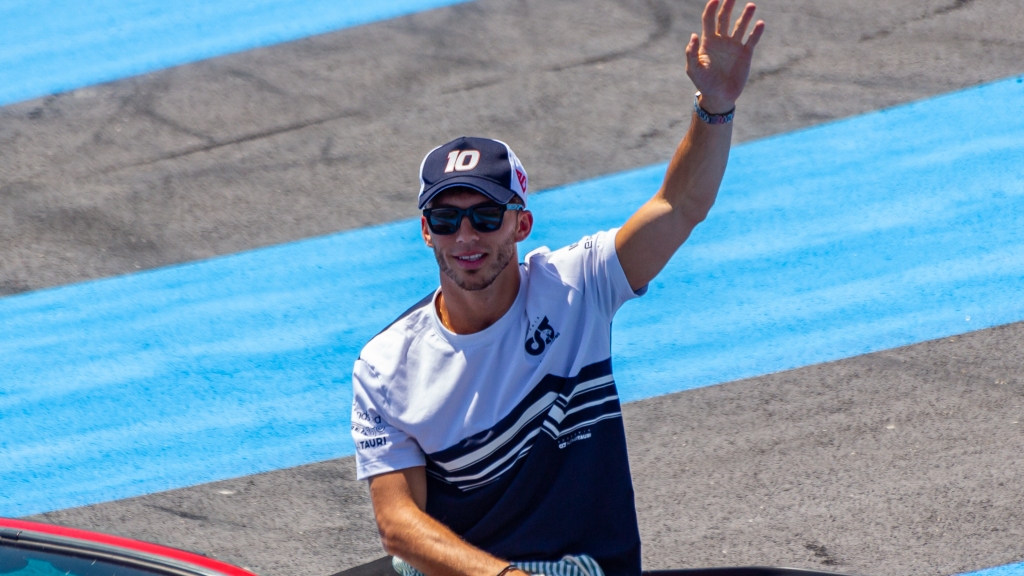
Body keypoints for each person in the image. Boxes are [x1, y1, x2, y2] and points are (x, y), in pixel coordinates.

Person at [350, 2, 765, 576]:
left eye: (486, 216)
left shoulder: (579, 284)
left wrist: (716, 106)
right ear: (426, 232)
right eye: (445, 220)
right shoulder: (385, 365)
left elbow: (679, 205)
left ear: (521, 224)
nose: (465, 235)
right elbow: (398, 524)